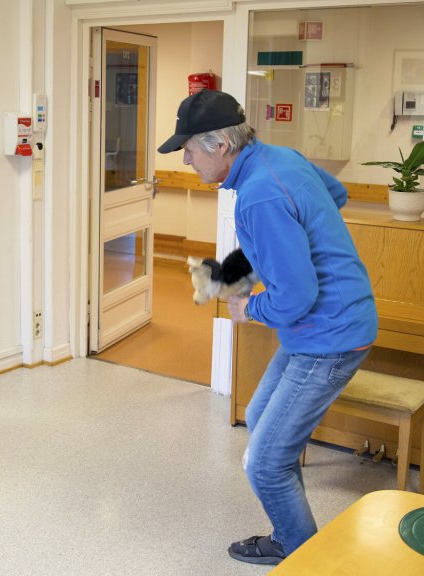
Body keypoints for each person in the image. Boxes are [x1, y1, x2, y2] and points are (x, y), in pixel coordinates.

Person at [157, 90, 378, 565]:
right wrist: (274, 254)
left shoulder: (256, 195)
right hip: (323, 329)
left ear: (221, 146)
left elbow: (297, 296)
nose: (187, 158)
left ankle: (301, 554)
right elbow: (334, 194)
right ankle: (292, 533)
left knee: (265, 462)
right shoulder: (280, 158)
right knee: (260, 421)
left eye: (190, 148)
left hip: (329, 336)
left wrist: (248, 310)